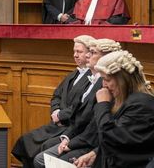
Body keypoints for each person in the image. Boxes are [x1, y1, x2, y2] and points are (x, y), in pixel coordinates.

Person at [33, 38, 122, 168]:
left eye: (92, 52)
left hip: (91, 143)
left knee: (42, 160)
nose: (87, 55)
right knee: (40, 154)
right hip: (76, 133)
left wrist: (71, 143)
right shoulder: (90, 79)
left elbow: (95, 126)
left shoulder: (106, 87)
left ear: (105, 58)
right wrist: (67, 138)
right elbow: (72, 108)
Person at [12, 35, 94, 168]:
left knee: (43, 149)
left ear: (89, 54)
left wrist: (61, 115)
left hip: (70, 126)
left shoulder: (92, 79)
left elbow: (81, 107)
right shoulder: (74, 74)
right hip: (56, 124)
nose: (75, 55)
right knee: (25, 140)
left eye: (79, 52)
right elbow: (56, 95)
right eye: (74, 51)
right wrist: (55, 111)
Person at [72, 50, 154, 168]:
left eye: (107, 79)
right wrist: (95, 154)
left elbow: (112, 137)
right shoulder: (126, 99)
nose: (104, 85)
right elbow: (124, 139)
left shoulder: (141, 105)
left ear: (123, 79)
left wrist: (103, 104)